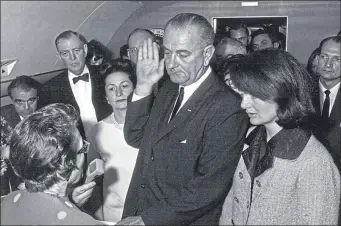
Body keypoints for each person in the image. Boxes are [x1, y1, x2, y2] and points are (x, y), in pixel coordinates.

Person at [118, 13, 249, 225]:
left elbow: (208, 187)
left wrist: (149, 220)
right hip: (139, 212)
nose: (172, 63)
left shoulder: (227, 107)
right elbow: (135, 137)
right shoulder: (168, 89)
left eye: (183, 54)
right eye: (167, 53)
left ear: (207, 54)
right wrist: (143, 85)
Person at [219, 48, 340, 225]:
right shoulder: (252, 135)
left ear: (283, 94)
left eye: (254, 95)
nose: (244, 104)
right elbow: (234, 201)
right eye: (243, 94)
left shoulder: (314, 162)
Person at [0, 103, 102, 225]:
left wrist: (70, 203)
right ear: (65, 164)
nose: (85, 152)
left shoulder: (8, 201)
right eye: (82, 148)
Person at [87, 58, 138, 223]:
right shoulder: (96, 132)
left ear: (136, 89)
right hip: (113, 214)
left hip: (146, 213)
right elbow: (92, 178)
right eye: (111, 89)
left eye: (124, 86)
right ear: (106, 97)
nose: (118, 93)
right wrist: (98, 214)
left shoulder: (153, 126)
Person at [39, 30, 112, 140]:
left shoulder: (106, 75)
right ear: (59, 56)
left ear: (85, 50)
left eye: (76, 50)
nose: (72, 57)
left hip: (112, 139)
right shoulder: (50, 89)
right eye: (65, 53)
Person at [312, 35, 341, 172]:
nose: (328, 64)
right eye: (324, 57)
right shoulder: (300, 93)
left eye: (337, 58)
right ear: (317, 60)